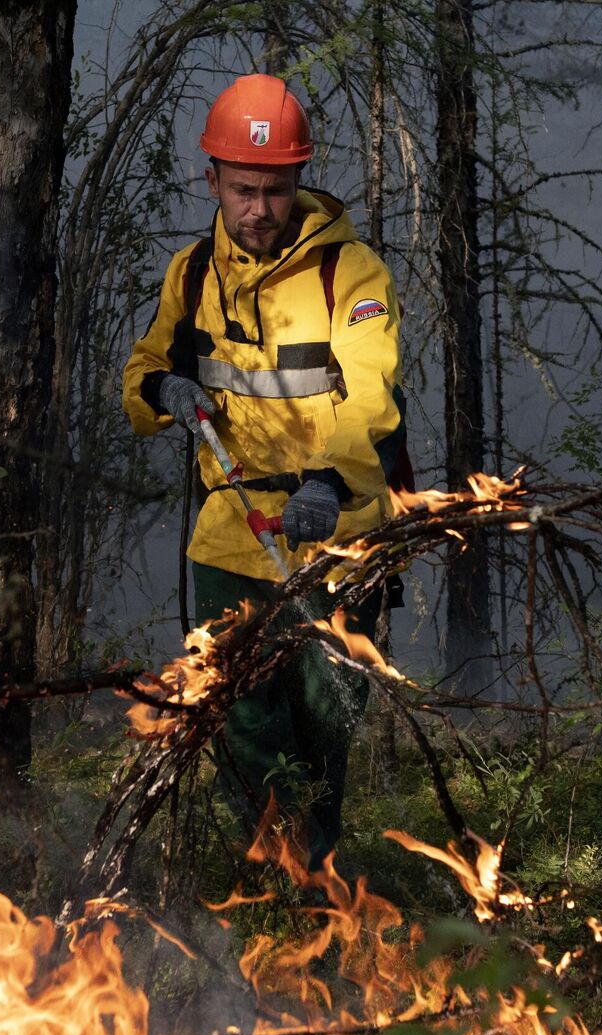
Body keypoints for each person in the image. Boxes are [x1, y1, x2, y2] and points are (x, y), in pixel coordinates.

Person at [121, 74, 404, 870]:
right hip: (228, 539)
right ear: (211, 179)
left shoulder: (350, 276)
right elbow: (142, 377)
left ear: (298, 182)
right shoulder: (190, 276)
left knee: (323, 726)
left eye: (275, 190)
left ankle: (319, 886)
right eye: (244, 189)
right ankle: (286, 885)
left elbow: (370, 394)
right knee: (241, 723)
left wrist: (326, 480)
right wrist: (164, 389)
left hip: (335, 539)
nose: (259, 209)